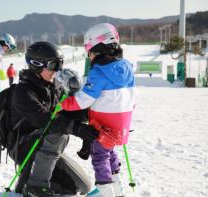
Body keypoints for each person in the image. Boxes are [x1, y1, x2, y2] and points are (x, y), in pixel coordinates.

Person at [8, 41, 99, 196]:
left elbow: (66, 111)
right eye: (53, 65)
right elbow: (45, 120)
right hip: (23, 145)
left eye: (60, 64)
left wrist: (88, 114)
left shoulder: (54, 86)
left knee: (82, 186)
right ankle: (35, 188)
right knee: (58, 132)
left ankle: (27, 182)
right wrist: (76, 128)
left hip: (45, 145)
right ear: (36, 64)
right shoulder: (23, 91)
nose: (57, 70)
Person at [60, 23, 135, 196]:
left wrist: (64, 104)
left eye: (90, 51)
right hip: (121, 123)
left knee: (100, 156)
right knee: (110, 153)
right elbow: (132, 96)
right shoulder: (127, 67)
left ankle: (105, 191)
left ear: (98, 48)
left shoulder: (99, 71)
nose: (89, 56)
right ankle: (117, 188)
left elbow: (84, 100)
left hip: (104, 123)